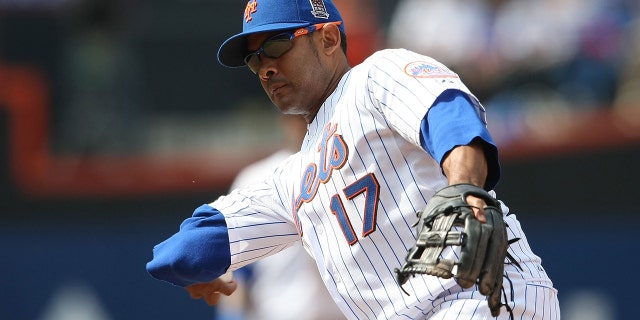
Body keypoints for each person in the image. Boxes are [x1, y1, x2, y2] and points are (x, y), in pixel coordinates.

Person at [146, 0, 560, 319]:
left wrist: (464, 186)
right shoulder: (287, 180)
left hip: (477, 298)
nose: (265, 68)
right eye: (255, 59)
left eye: (276, 45)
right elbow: (185, 249)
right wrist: (194, 269)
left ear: (327, 38)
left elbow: (449, 115)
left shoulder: (375, 76)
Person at [217, 114, 345, 320]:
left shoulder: (348, 167)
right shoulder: (255, 179)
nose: (304, 125)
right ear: (284, 119)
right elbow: (237, 271)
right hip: (277, 313)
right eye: (297, 117)